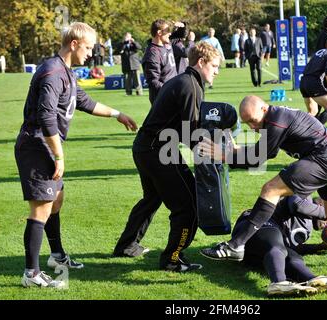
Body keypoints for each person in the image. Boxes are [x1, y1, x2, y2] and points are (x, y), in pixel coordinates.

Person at [199, 95, 327, 268]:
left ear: (264, 108)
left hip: (323, 159)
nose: (252, 127)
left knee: (270, 190)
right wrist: (232, 152)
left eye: (253, 120)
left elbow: (258, 158)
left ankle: (236, 245)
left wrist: (224, 156)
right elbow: (267, 151)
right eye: (248, 123)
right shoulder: (276, 117)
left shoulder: (276, 120)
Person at [14, 22, 138, 288]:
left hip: (46, 146)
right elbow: (46, 117)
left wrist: (118, 114)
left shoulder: (67, 73)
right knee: (41, 207)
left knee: (56, 200)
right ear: (73, 44)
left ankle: (57, 256)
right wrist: (58, 156)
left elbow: (85, 102)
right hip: (36, 146)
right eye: (88, 47)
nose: (91, 53)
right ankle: (31, 273)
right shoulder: (52, 72)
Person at [113, 42, 222, 272]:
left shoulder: (183, 80)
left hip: (145, 148)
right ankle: (172, 260)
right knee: (188, 206)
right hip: (158, 151)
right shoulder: (191, 85)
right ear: (201, 62)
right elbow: (190, 132)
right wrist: (213, 156)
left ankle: (126, 245)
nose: (216, 71)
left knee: (151, 199)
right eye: (214, 66)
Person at [236, 195, 327, 296]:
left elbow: (292, 248)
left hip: (253, 255)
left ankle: (313, 280)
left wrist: (322, 246)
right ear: (320, 204)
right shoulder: (303, 198)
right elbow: (296, 205)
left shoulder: (305, 231)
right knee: (277, 247)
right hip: (253, 225)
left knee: (293, 256)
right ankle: (279, 283)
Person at [300, 35, 327, 124]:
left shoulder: (320, 51)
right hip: (313, 83)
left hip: (304, 81)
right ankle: (313, 132)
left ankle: (300, 131)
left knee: (312, 112)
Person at [142, 19, 178, 104]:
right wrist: (172, 91)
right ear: (159, 32)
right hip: (163, 99)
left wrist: (182, 26)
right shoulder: (152, 53)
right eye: (167, 31)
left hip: (173, 95)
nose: (170, 33)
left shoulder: (167, 45)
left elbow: (180, 36)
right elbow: (154, 82)